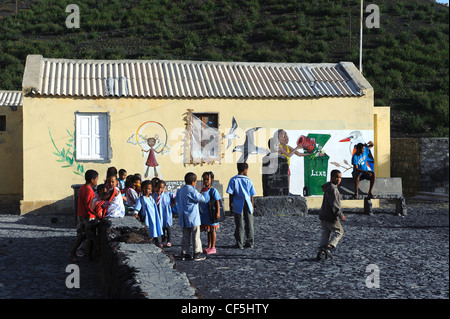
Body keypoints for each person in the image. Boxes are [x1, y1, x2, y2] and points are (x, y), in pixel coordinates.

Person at [69, 169, 99, 262]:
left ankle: (73, 252)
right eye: (96, 179)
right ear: (92, 180)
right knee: (90, 236)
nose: (97, 181)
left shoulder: (82, 187)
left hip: (81, 214)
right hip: (87, 216)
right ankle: (88, 256)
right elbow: (89, 205)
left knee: (82, 236)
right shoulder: (89, 191)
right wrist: (96, 214)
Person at [176, 172, 206, 261]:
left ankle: (185, 253)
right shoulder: (192, 190)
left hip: (183, 216)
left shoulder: (180, 190)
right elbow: (202, 199)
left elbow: (177, 199)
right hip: (193, 217)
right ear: (193, 181)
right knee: (196, 235)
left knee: (185, 236)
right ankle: (197, 253)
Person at [317, 169, 345, 261]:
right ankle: (329, 247)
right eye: (336, 177)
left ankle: (321, 251)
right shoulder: (334, 190)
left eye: (340, 177)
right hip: (330, 216)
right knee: (339, 231)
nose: (338, 179)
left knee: (326, 232)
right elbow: (335, 204)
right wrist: (340, 215)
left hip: (323, 214)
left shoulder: (328, 187)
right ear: (332, 177)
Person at [226, 163, 257, 249]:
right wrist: (252, 206)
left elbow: (231, 194)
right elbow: (251, 195)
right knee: (249, 223)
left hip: (237, 204)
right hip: (248, 203)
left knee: (239, 224)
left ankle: (239, 243)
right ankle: (250, 242)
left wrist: (230, 205)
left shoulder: (233, 180)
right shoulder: (248, 180)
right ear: (245, 170)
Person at [134, 180, 163, 246]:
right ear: (143, 189)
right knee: (148, 231)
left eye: (149, 189)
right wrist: (136, 213)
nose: (147, 190)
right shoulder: (141, 199)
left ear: (151, 189)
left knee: (153, 230)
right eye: (146, 188)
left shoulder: (151, 198)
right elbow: (137, 208)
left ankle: (155, 241)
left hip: (153, 218)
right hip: (147, 218)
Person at [199, 171, 221, 255]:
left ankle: (213, 247)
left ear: (212, 180)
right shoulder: (203, 190)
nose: (205, 181)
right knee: (208, 231)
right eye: (204, 179)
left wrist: (218, 212)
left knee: (212, 230)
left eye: (207, 179)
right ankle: (209, 245)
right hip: (205, 214)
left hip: (212, 213)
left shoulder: (213, 190)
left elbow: (217, 201)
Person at [152, 180, 176, 247]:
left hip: (167, 213)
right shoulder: (154, 195)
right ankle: (163, 240)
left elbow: (175, 196)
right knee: (161, 227)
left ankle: (169, 240)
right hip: (159, 214)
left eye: (161, 188)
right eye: (159, 187)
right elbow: (155, 203)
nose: (160, 189)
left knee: (167, 227)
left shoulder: (167, 194)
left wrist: (173, 203)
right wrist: (158, 197)